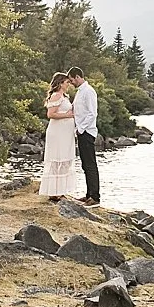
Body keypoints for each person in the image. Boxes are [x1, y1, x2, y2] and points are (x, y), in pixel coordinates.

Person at [39, 72, 78, 202]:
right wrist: (68, 115)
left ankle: (60, 190)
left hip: (66, 133)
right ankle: (53, 192)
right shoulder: (56, 96)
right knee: (57, 160)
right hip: (58, 133)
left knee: (65, 161)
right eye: (67, 82)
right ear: (60, 83)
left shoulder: (64, 96)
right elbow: (51, 114)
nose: (69, 84)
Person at [68, 66, 100, 207]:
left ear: (77, 77)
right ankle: (88, 194)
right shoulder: (80, 92)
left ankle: (95, 197)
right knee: (85, 165)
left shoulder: (89, 92)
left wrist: (81, 129)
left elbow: (92, 113)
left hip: (87, 132)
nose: (71, 83)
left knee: (91, 165)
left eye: (71, 80)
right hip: (81, 131)